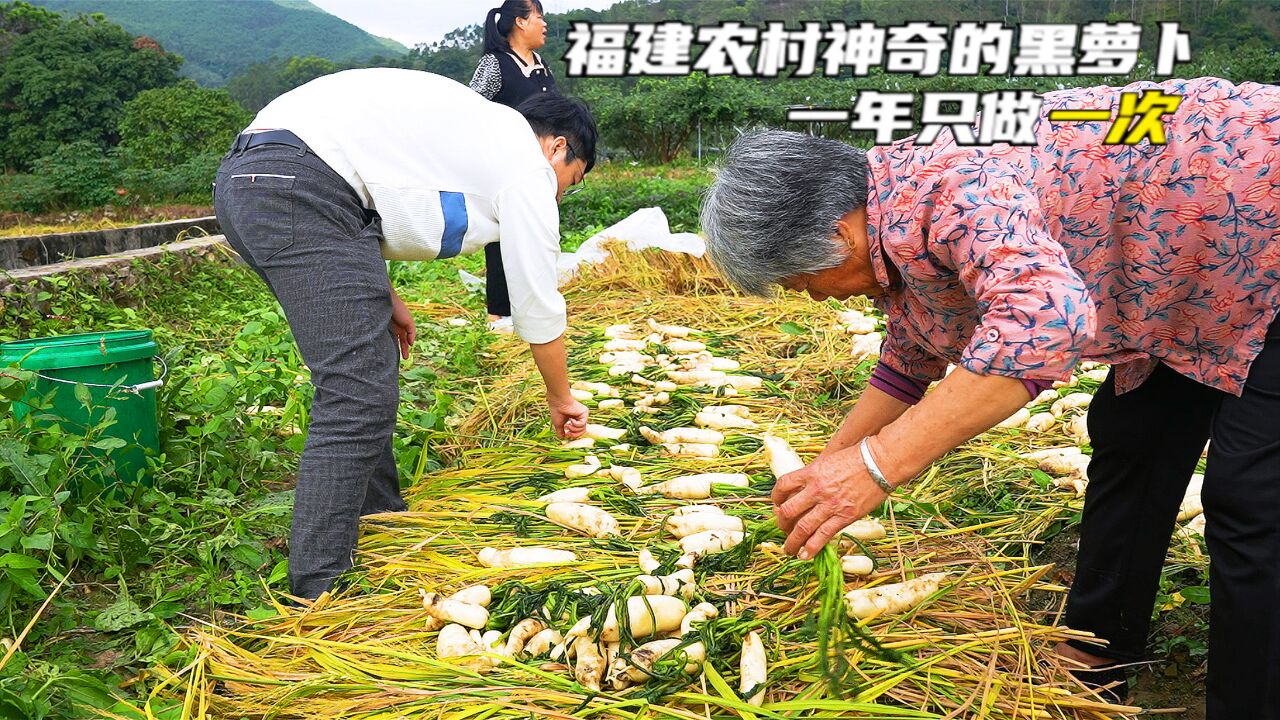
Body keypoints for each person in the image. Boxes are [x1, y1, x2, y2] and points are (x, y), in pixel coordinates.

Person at [699, 77, 1279, 719]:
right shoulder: (891, 213)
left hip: (1260, 219)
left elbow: (1046, 319)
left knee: (1250, 497)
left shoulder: (957, 185)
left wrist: (875, 467)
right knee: (1131, 438)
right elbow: (907, 359)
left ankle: (1249, 701)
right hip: (1180, 280)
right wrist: (823, 476)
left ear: (839, 233)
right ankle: (1101, 647)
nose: (810, 296)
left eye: (800, 279)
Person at [212, 68, 597, 600]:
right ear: (558, 148)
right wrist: (560, 396)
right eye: (569, 183)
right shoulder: (524, 162)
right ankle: (319, 590)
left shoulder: (476, 131)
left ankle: (380, 517)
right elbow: (536, 297)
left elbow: (367, 189)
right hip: (296, 186)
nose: (557, 198)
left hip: (256, 180)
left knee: (367, 370)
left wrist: (383, 295)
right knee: (355, 391)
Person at [470, 0, 557, 326]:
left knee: (539, 236)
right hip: (504, 168)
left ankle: (533, 309)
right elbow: (470, 112)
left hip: (541, 168)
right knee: (502, 241)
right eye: (538, 15)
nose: (544, 23)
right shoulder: (495, 64)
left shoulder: (541, 64)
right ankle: (499, 314)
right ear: (520, 22)